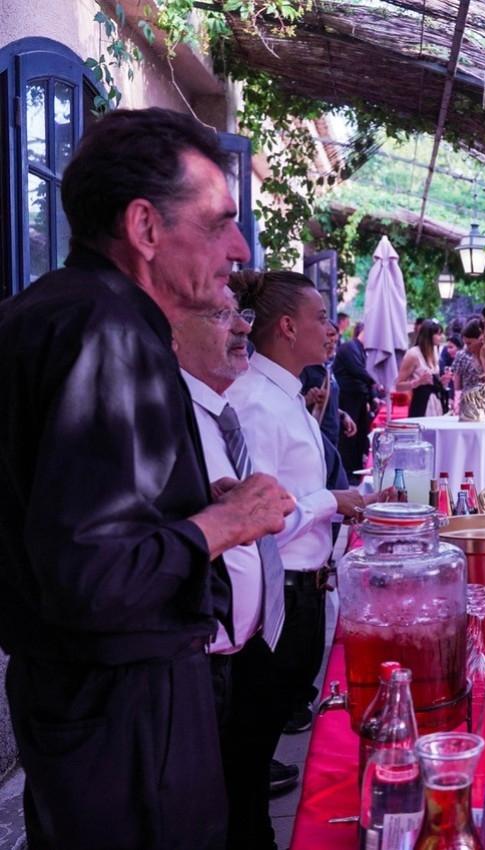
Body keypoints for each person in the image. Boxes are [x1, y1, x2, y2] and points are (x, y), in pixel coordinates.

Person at [0, 107, 294, 850]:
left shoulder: (56, 313)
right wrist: (223, 525)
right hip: (126, 719)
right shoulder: (107, 331)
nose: (239, 246)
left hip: (83, 709)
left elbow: (66, 519)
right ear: (145, 228)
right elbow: (91, 573)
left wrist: (189, 510)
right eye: (220, 221)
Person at [226, 269, 369, 849]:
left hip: (302, 592)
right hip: (273, 598)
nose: (331, 329)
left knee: (255, 755)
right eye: (319, 318)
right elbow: (257, 521)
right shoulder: (257, 401)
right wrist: (331, 501)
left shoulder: (287, 394)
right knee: (245, 760)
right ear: (286, 327)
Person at [170, 286, 304, 836]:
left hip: (234, 649)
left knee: (241, 798)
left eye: (241, 313)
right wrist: (233, 517)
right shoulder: (170, 415)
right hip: (197, 661)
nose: (243, 327)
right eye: (223, 314)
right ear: (172, 333)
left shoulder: (215, 412)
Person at [302, 321, 355, 490]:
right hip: (317, 438)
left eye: (334, 337)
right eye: (328, 336)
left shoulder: (327, 368)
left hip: (333, 436)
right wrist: (307, 399)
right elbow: (289, 403)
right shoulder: (306, 369)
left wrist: (342, 415)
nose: (332, 342)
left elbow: (330, 402)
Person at [335, 320, 381, 478]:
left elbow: (365, 375)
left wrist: (373, 396)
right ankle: (348, 471)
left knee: (360, 434)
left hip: (360, 397)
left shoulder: (361, 350)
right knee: (349, 435)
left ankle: (355, 469)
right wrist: (376, 381)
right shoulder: (349, 348)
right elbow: (359, 371)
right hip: (348, 397)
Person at [396, 319, 447, 417]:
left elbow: (432, 381)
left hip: (436, 401)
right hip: (421, 403)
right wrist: (418, 382)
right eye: (437, 334)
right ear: (428, 335)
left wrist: (442, 381)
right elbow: (398, 386)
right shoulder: (413, 354)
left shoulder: (435, 351)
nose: (440, 337)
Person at [452, 317, 485, 395]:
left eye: (469, 343)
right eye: (465, 344)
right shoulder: (462, 356)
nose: (467, 347)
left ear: (481, 339)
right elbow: (457, 387)